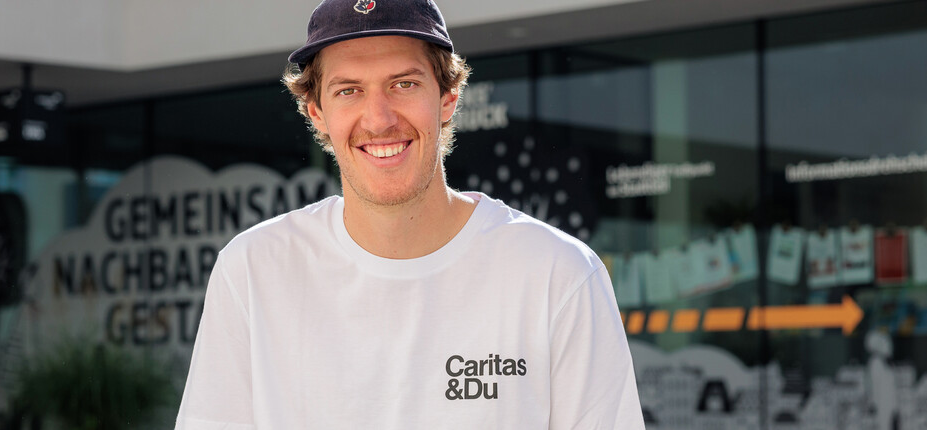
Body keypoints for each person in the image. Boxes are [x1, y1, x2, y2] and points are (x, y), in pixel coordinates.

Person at [174, 0, 644, 428]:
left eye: (403, 84)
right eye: (348, 91)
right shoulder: (254, 270)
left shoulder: (557, 274)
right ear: (316, 112)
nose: (379, 119)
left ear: (447, 98)